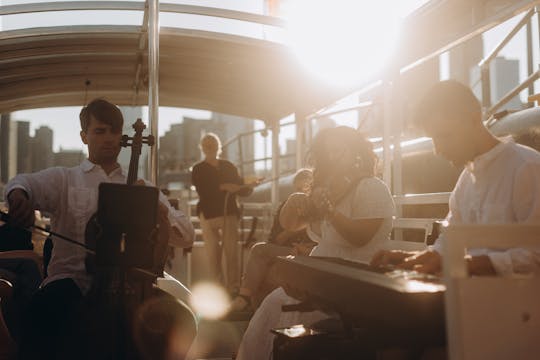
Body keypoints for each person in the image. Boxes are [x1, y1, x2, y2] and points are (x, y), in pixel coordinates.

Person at [4, 98, 195, 359]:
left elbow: (186, 236)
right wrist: (18, 196)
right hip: (73, 282)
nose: (109, 138)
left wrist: (157, 210)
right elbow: (22, 182)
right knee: (42, 311)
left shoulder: (141, 186)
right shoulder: (65, 178)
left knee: (183, 320)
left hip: (131, 287)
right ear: (84, 136)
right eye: (100, 131)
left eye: (114, 131)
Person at [236, 126, 395, 360]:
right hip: (322, 277)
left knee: (282, 304)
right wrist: (293, 202)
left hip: (356, 279)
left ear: (356, 153)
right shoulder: (329, 191)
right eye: (327, 152)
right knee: (275, 301)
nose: (332, 157)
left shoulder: (371, 187)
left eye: (339, 150)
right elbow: (291, 224)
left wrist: (329, 212)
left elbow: (360, 237)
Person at [371, 80, 540, 276]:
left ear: (474, 120)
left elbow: (537, 255)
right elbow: (449, 242)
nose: (437, 150)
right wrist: (413, 258)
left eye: (444, 136)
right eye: (434, 139)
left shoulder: (528, 167)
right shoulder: (465, 181)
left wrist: (469, 264)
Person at [230, 168, 315, 312]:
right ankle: (247, 301)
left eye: (305, 189)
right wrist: (293, 228)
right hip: (286, 251)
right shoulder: (286, 207)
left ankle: (245, 300)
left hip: (309, 253)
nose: (301, 193)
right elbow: (276, 240)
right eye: (297, 189)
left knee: (260, 255)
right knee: (260, 250)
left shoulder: (317, 208)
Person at [191, 133, 255, 294]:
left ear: (218, 147)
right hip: (208, 216)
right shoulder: (198, 169)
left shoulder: (229, 166)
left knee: (231, 253)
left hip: (229, 213)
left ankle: (233, 289)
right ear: (203, 148)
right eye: (207, 145)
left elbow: (241, 188)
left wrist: (250, 184)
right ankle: (218, 290)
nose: (210, 147)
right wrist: (224, 187)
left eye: (212, 144)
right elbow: (202, 190)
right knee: (213, 256)